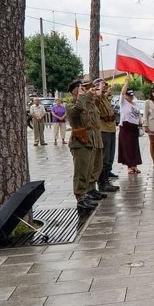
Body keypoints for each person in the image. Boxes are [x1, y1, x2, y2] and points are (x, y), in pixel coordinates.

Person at [66, 80, 98, 211]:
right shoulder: (70, 105)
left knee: (88, 170)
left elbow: (89, 103)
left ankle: (84, 195)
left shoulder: (83, 101)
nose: (83, 90)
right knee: (80, 172)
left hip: (88, 140)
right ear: (75, 90)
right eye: (80, 88)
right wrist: (81, 95)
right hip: (79, 142)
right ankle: (80, 199)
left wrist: (92, 91)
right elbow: (78, 109)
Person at [93, 78, 119, 193]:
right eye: (102, 85)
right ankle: (102, 183)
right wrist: (99, 89)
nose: (105, 87)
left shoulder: (104, 98)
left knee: (109, 157)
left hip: (111, 129)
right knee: (104, 157)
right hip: (103, 130)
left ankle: (106, 180)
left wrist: (106, 91)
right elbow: (96, 98)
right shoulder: (96, 98)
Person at [117, 75, 142, 174]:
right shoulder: (123, 102)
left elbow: (138, 115)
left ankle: (134, 165)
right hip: (126, 127)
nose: (130, 97)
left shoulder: (135, 104)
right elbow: (122, 92)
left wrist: (140, 122)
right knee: (127, 147)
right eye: (128, 95)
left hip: (134, 127)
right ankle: (129, 166)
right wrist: (127, 82)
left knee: (134, 147)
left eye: (131, 95)